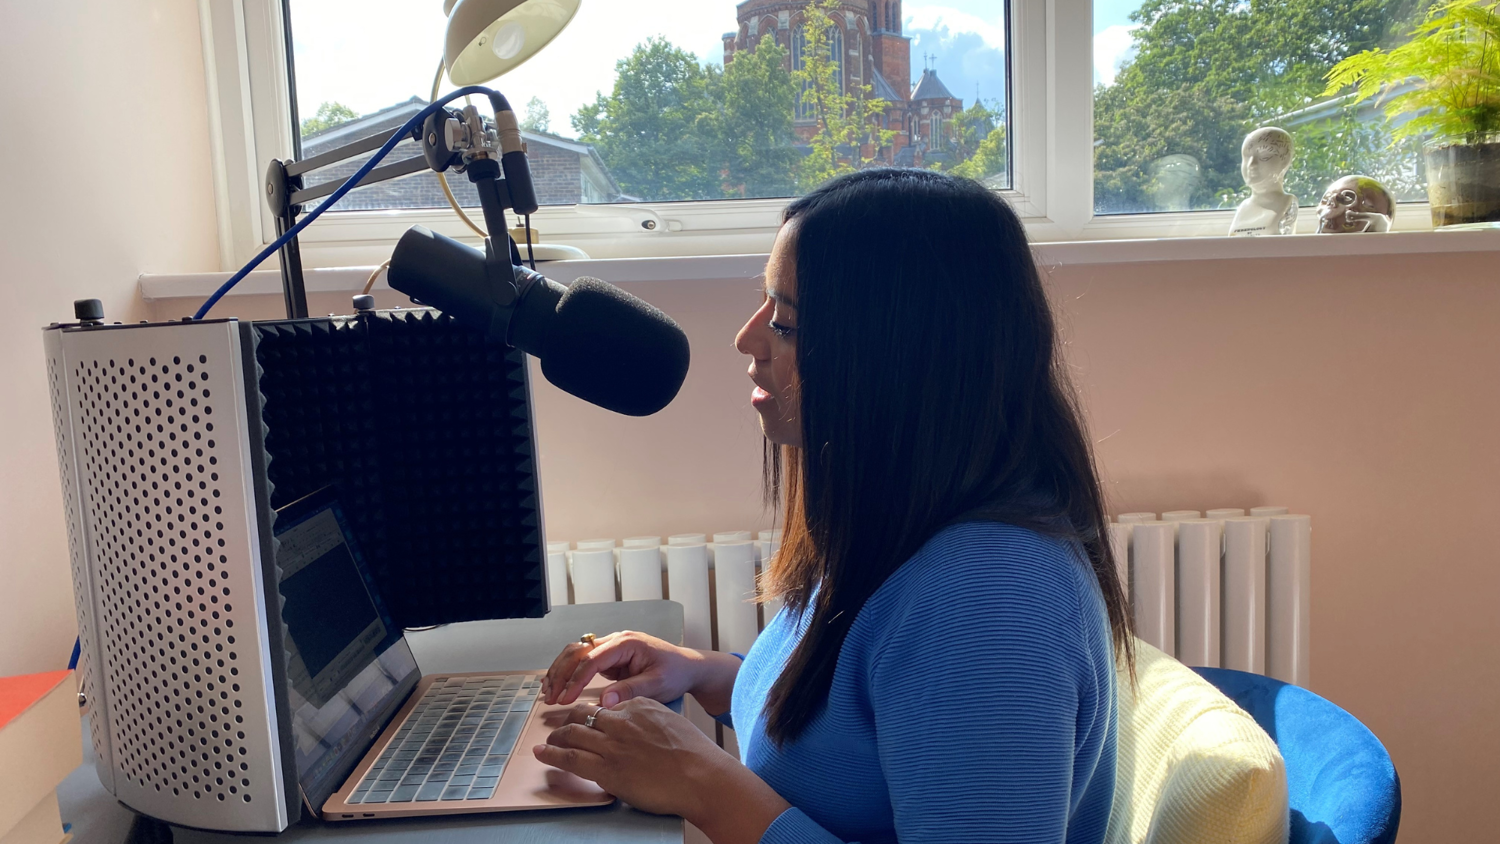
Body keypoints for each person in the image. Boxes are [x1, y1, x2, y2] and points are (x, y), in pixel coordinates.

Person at [530, 168, 1132, 844]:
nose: (747, 339)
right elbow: (859, 737)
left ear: (895, 360)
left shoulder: (988, 597)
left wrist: (701, 781)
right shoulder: (899, 526)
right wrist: (702, 674)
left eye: (785, 322)